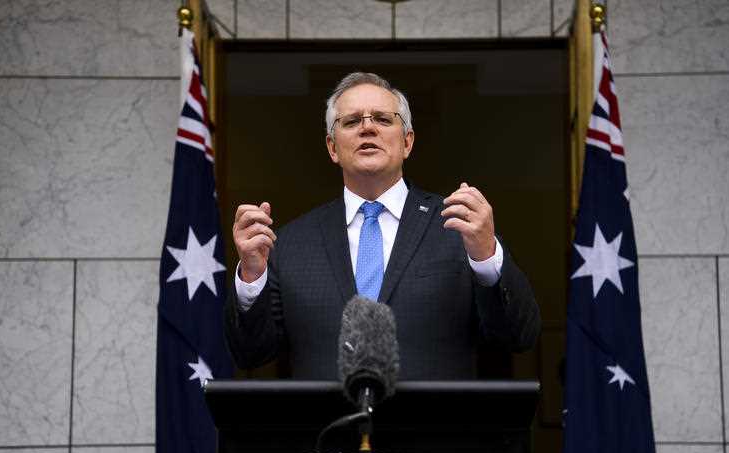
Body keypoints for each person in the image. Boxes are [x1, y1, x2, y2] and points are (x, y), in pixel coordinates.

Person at [225, 72, 540, 380]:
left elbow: (518, 337)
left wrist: (486, 256)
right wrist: (252, 277)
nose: (367, 128)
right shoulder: (291, 244)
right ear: (332, 148)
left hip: (431, 430)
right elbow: (251, 354)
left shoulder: (459, 228)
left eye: (382, 119)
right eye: (351, 121)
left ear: (407, 142)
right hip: (328, 430)